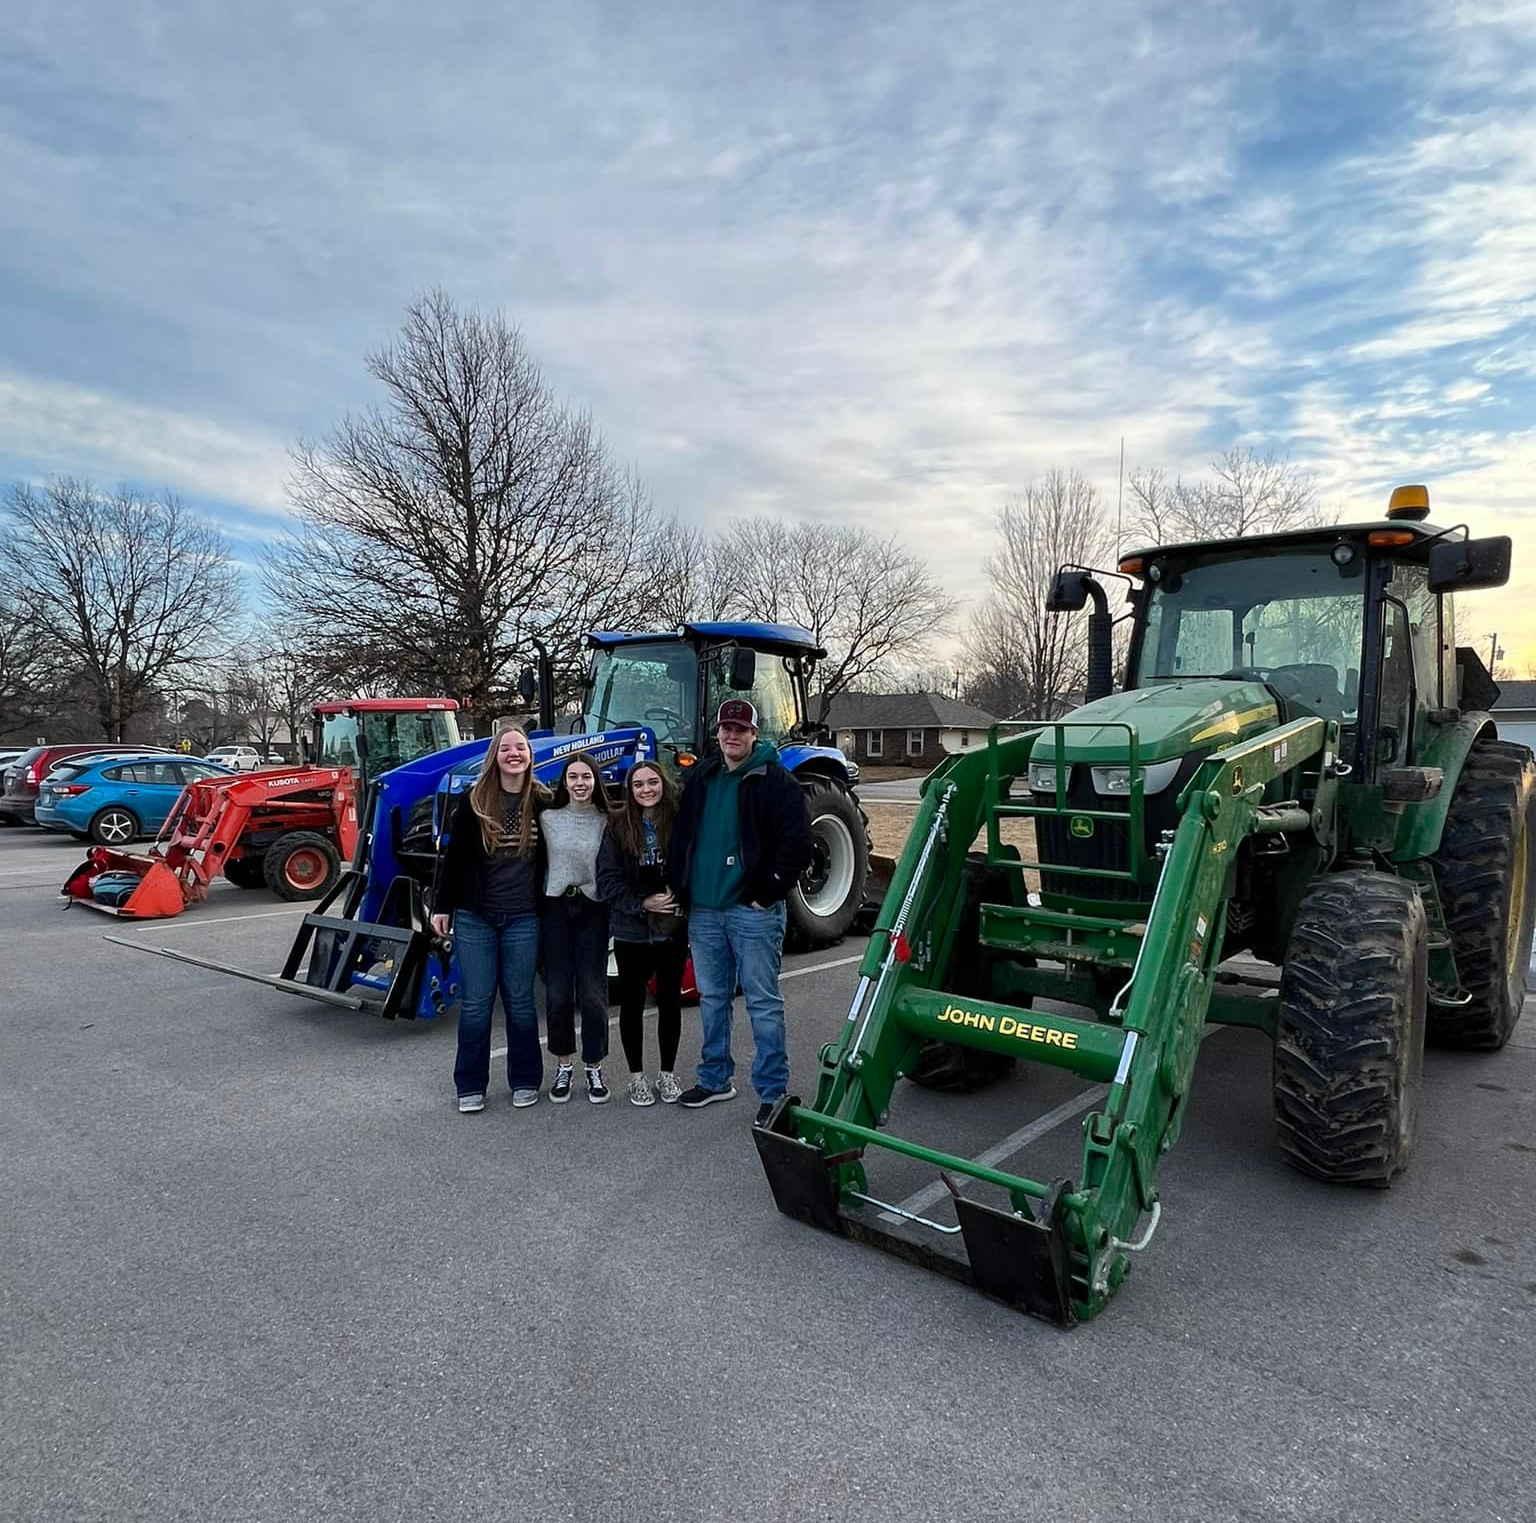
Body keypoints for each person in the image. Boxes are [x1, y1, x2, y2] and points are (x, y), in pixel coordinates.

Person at [667, 698, 813, 1125]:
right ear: (718, 733)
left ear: (754, 733)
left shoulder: (776, 781)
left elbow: (796, 846)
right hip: (705, 912)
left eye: (741, 729)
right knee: (713, 999)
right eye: (726, 729)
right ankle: (715, 1079)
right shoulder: (702, 777)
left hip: (751, 911)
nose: (733, 735)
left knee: (763, 1003)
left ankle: (773, 1091)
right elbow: (680, 836)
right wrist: (680, 886)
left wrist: (765, 894)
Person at [430, 725, 549, 1113]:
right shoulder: (475, 801)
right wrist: (442, 906)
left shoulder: (544, 800)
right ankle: (470, 1085)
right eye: (505, 749)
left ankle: (526, 1079)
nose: (513, 754)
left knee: (520, 1001)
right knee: (478, 1003)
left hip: (523, 918)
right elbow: (455, 859)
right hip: (475, 917)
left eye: (520, 748)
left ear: (530, 755)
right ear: (494, 757)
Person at [597, 760, 689, 1107]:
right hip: (631, 930)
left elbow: (692, 865)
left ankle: (667, 1073)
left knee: (669, 1001)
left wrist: (681, 899)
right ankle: (637, 1077)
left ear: (663, 784)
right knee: (632, 1003)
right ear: (630, 790)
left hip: (672, 929)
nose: (646, 789)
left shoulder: (679, 822)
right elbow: (607, 878)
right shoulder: (618, 827)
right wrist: (642, 904)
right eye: (638, 785)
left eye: (652, 782)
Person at [540, 753, 613, 1104]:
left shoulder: (606, 820)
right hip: (555, 908)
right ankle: (564, 1064)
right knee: (557, 994)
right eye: (573, 777)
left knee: (593, 993)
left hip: (592, 909)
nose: (580, 783)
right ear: (564, 782)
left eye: (586, 777)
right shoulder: (548, 818)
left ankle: (594, 1065)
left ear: (595, 781)